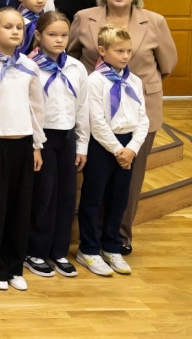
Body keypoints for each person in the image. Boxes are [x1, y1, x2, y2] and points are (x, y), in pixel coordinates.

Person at [68, 0, 177, 257]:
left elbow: (167, 64)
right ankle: (91, 239)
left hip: (139, 110)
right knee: (97, 178)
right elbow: (72, 58)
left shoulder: (155, 21)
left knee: (129, 178)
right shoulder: (84, 18)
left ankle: (119, 236)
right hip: (96, 110)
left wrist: (132, 89)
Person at [0, 7, 45, 291]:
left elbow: (36, 107)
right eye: (8, 27)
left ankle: (15, 266)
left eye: (19, 27)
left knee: (20, 208)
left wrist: (37, 145)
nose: (15, 31)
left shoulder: (30, 65)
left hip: (24, 143)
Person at [76, 25, 148, 277]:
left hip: (128, 146)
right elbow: (96, 121)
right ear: (103, 51)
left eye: (128, 51)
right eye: (119, 51)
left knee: (119, 199)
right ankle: (88, 249)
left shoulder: (134, 81)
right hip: (103, 145)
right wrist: (118, 150)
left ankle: (111, 246)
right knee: (93, 198)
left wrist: (132, 148)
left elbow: (143, 119)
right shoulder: (95, 81)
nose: (125, 56)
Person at [24, 11, 89, 279]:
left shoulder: (76, 67)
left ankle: (59, 251)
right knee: (43, 195)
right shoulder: (30, 66)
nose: (59, 40)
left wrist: (82, 145)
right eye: (52, 35)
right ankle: (36, 251)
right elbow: (28, 108)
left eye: (64, 35)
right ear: (39, 36)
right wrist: (35, 144)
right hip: (42, 138)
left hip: (68, 136)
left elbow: (82, 107)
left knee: (66, 195)